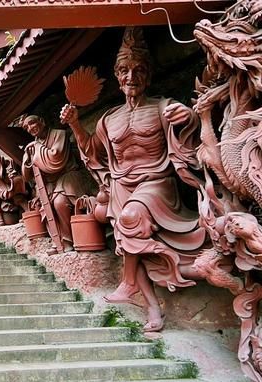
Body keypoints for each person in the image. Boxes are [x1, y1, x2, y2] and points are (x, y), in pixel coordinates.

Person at [59, 28, 205, 332]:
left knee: (130, 218)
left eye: (138, 70)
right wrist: (74, 124)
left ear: (148, 74)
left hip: (155, 183)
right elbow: (92, 153)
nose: (131, 76)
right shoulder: (107, 119)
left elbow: (190, 140)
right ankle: (153, 309)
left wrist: (190, 119)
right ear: (116, 75)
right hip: (121, 185)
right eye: (124, 70)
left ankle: (127, 283)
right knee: (129, 247)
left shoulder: (163, 107)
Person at [22, 115, 93, 251]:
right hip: (49, 183)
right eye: (26, 128)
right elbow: (27, 176)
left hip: (67, 175)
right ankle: (58, 241)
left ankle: (70, 240)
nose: (30, 128)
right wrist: (27, 159)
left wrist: (37, 147)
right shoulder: (33, 145)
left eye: (31, 123)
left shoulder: (59, 134)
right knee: (46, 206)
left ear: (41, 121)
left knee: (59, 202)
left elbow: (56, 158)